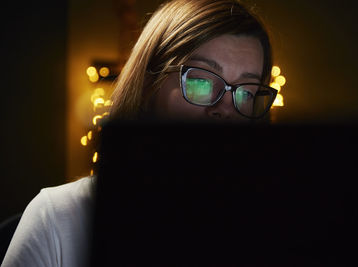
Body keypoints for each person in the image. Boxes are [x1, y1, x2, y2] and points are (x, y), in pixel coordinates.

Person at [1, 0, 276, 266]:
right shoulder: (58, 217)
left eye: (247, 91)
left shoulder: (274, 226)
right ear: (147, 87)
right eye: (200, 82)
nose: (226, 108)